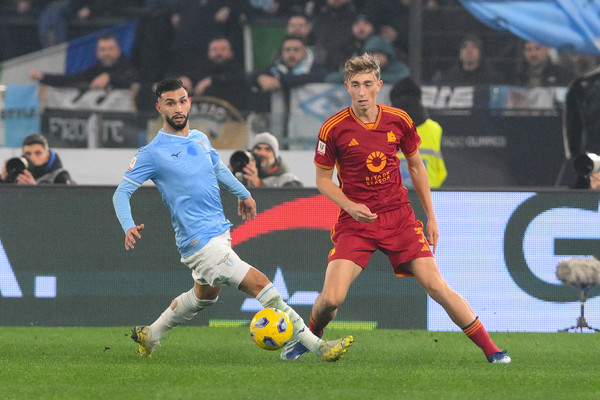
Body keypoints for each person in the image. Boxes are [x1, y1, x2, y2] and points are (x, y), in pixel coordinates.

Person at [280, 53, 511, 364]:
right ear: (347, 87)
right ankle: (310, 337)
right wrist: (350, 206)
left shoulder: (399, 120)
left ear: (379, 86)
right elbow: (322, 180)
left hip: (399, 218)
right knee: (332, 299)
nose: (362, 92)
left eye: (368, 84)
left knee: (436, 286)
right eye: (355, 85)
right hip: (356, 223)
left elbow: (416, 166)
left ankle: (492, 350)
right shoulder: (333, 128)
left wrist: (431, 217)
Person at [112, 78, 352, 360]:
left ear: (189, 103)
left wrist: (243, 193)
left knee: (204, 295)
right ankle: (317, 346)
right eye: (170, 103)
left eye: (182, 101)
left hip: (218, 234)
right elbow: (121, 193)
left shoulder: (200, 138)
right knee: (261, 283)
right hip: (199, 242)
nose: (177, 108)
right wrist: (128, 225)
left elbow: (219, 169)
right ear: (159, 108)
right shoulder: (152, 153)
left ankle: (151, 334)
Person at [29, 33, 139, 90]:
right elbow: (72, 79)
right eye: (102, 49)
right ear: (97, 53)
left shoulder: (129, 66)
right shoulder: (97, 69)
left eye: (110, 49)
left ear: (118, 51)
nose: (107, 53)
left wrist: (110, 77)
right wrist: (44, 77)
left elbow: (133, 80)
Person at [390, 77, 447, 188]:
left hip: (394, 196)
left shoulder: (382, 129)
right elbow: (441, 172)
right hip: (428, 194)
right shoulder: (435, 129)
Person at [170, 37, 250, 111]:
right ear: (208, 52)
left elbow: (236, 78)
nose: (219, 53)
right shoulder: (203, 69)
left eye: (223, 49)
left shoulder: (237, 72)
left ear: (231, 53)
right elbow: (193, 76)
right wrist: (185, 79)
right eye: (215, 49)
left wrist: (212, 80)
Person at [249, 35, 326, 94]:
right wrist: (260, 78)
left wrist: (280, 80)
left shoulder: (316, 68)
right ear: (282, 52)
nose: (291, 54)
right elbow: (252, 75)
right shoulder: (277, 66)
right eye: (287, 50)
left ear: (304, 52)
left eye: (296, 50)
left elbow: (309, 78)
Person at [232, 132, 303, 188]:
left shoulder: (288, 181)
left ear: (275, 157)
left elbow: (287, 201)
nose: (262, 153)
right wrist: (229, 175)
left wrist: (258, 184)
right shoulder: (244, 178)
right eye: (258, 148)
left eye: (268, 149)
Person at [433, 34, 505, 85]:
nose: (469, 51)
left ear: (480, 53)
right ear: (460, 53)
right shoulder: (449, 78)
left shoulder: (492, 77)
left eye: (474, 47)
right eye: (465, 47)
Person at [1, 133, 72, 184]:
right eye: (28, 154)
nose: (32, 158)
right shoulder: (18, 175)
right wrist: (3, 179)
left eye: (38, 153)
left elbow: (66, 199)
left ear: (48, 155)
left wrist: (34, 190)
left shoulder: (60, 177)